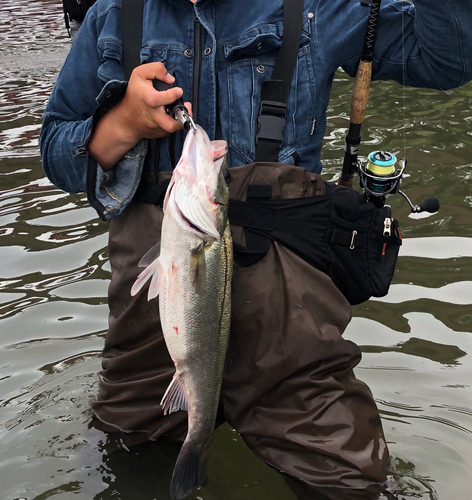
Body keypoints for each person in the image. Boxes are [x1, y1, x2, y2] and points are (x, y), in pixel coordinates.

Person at [39, 1, 472, 499]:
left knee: (352, 484)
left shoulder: (317, 8)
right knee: (126, 465)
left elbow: (448, 61)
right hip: (155, 326)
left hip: (290, 323)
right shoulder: (113, 15)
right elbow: (58, 153)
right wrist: (122, 124)